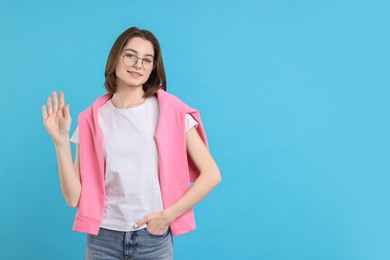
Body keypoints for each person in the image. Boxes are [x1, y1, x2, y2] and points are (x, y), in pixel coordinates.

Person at [41, 27, 221, 259]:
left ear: (153, 68)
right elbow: (73, 197)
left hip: (153, 240)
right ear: (115, 57)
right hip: (102, 241)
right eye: (130, 55)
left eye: (147, 60)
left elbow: (212, 174)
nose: (138, 64)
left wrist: (168, 216)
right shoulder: (92, 119)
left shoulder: (171, 112)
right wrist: (60, 142)